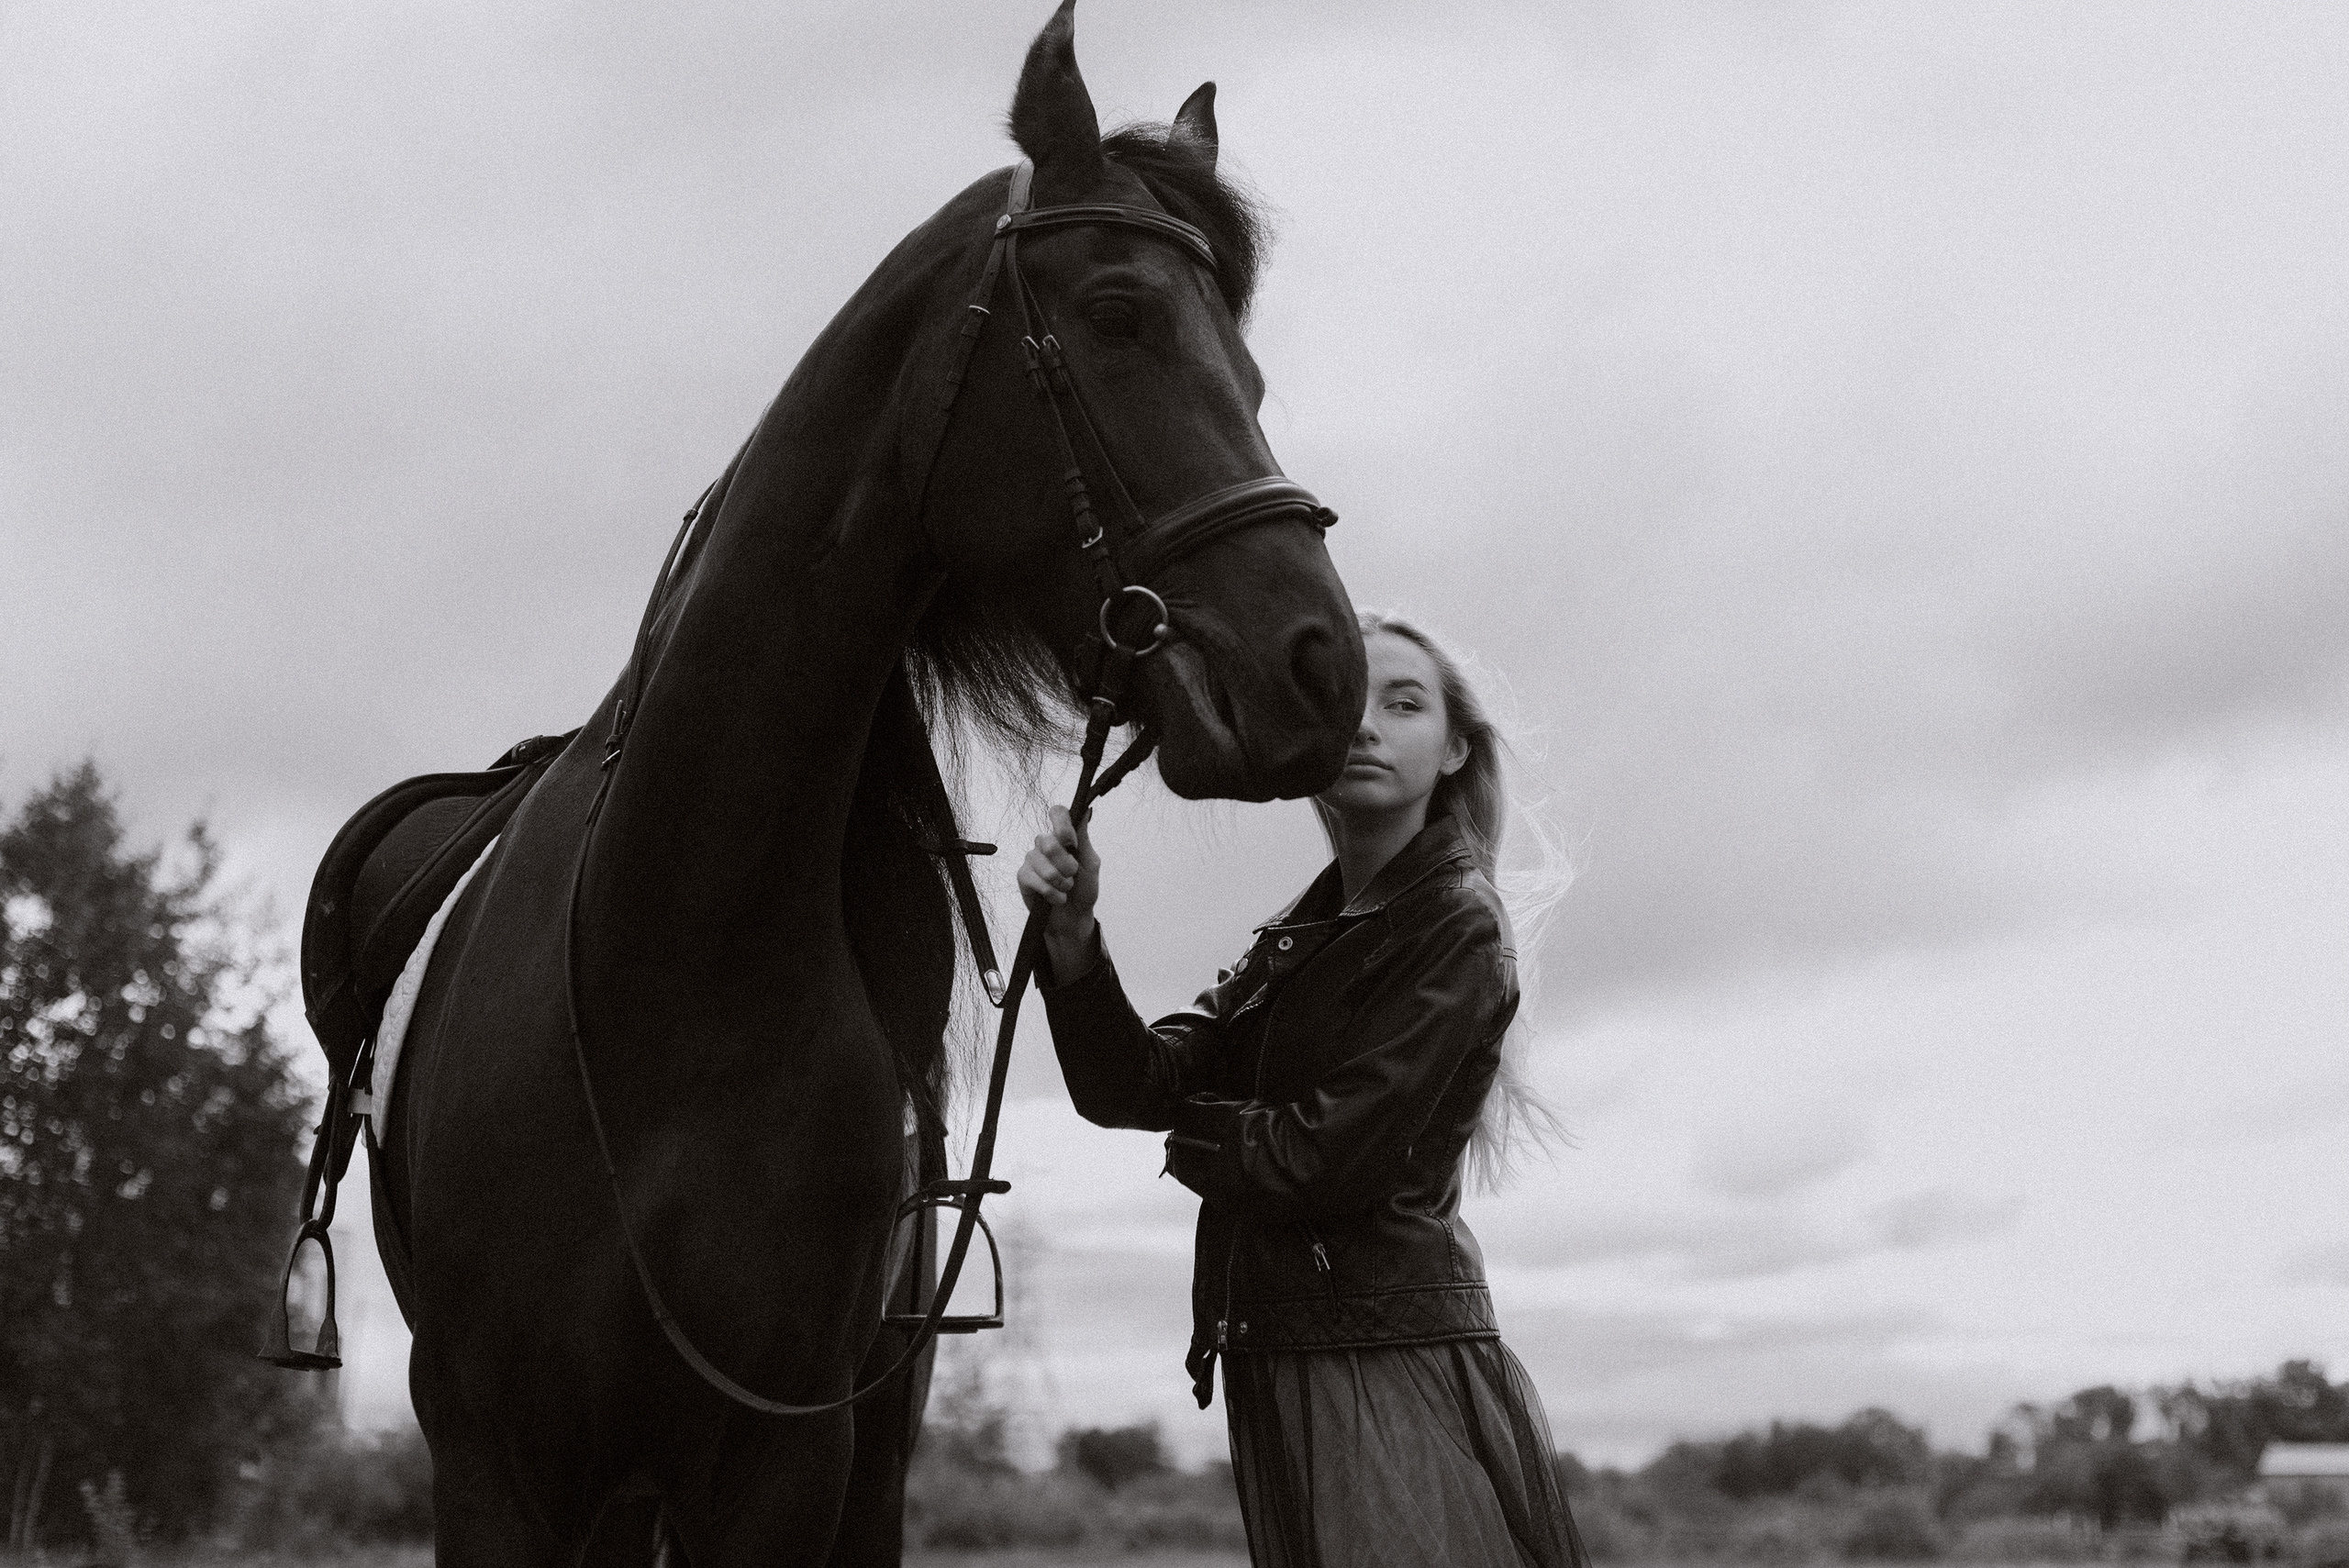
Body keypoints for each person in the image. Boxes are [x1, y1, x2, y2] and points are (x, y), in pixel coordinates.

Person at [1019, 609, 1588, 1567]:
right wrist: (1074, 938)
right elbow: (1132, 1082)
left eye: (1402, 702)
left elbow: (1320, 1159)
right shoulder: (1301, 927)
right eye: (1343, 700)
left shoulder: (1452, 923)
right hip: (1283, 1344)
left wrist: (1192, 1136)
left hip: (1377, 1353)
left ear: (1455, 747)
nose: (1365, 723)